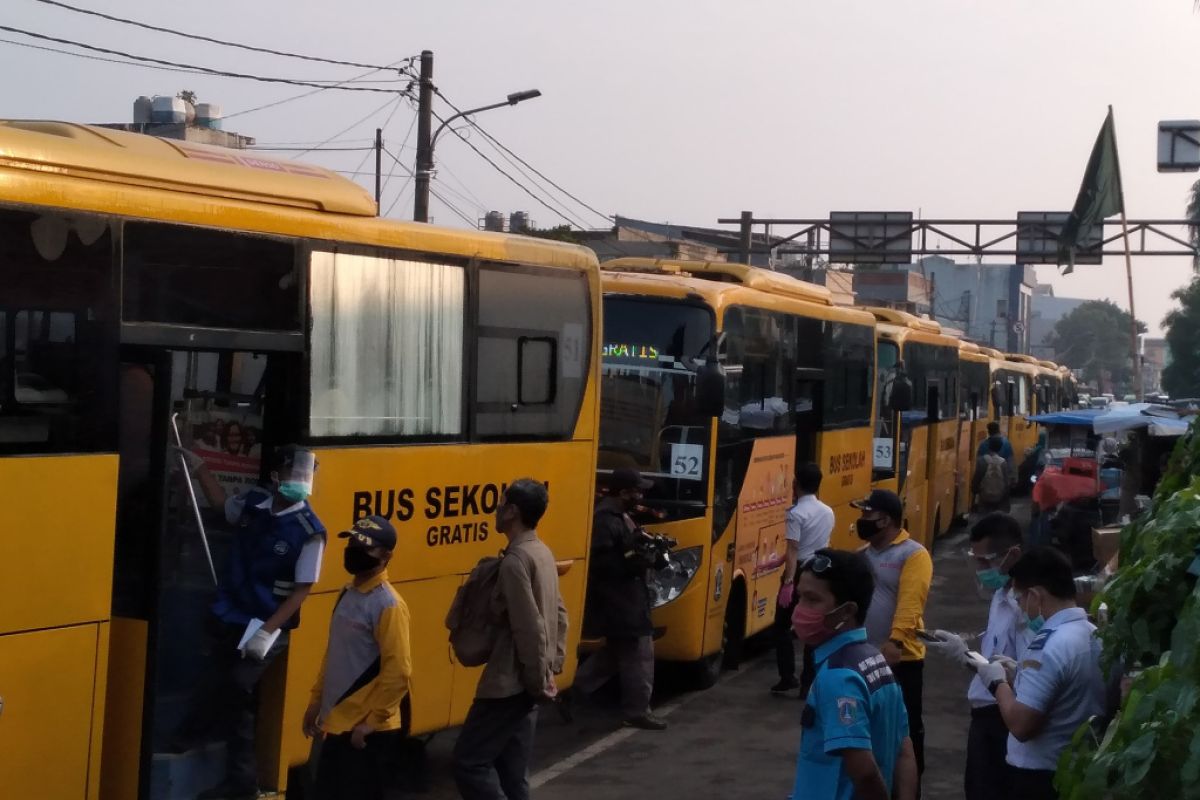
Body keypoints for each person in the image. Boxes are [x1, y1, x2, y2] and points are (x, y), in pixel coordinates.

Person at [177, 444, 327, 800]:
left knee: (238, 687)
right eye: (294, 475)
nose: (301, 482)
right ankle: (190, 736)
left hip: (266, 624)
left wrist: (267, 631)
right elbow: (220, 507)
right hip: (232, 611)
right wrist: (199, 469)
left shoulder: (309, 530)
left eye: (306, 477)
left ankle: (242, 781)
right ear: (276, 477)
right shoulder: (255, 503)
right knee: (212, 675)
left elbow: (301, 592)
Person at [453, 479, 567, 800]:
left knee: (469, 762)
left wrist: (536, 680)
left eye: (501, 503)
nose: (496, 509)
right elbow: (560, 616)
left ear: (513, 511)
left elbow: (528, 626)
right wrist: (550, 669)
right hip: (531, 679)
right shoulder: (542, 552)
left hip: (509, 682)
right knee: (512, 774)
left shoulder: (516, 561)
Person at [974, 547, 1105, 800]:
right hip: (1080, 770)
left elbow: (1021, 725)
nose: (1021, 606)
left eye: (1021, 598)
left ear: (1035, 595)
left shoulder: (1046, 647)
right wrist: (1019, 674)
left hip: (1038, 777)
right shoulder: (1094, 634)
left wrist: (997, 682)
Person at [790, 548, 918, 800]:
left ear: (847, 611)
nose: (800, 609)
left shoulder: (837, 677)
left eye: (812, 600)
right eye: (800, 597)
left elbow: (865, 771)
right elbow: (904, 749)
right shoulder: (875, 660)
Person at [925, 513, 1033, 800]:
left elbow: (1020, 671)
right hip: (983, 715)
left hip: (1003, 715)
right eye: (977, 560)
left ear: (1013, 554)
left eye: (987, 561)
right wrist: (965, 648)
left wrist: (969, 659)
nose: (981, 569)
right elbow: (994, 645)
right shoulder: (999, 594)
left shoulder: (1027, 608)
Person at [305, 515, 412, 800]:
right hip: (337, 724)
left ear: (386, 556)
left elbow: (399, 672)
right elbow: (335, 653)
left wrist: (371, 723)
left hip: (364, 733)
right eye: (352, 542)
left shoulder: (388, 604)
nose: (354, 550)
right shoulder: (347, 593)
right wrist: (316, 701)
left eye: (365, 546)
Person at [574, 468, 668, 730]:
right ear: (623, 492)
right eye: (637, 491)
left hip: (627, 600)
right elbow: (602, 564)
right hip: (621, 602)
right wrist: (634, 560)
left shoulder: (622, 517)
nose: (640, 496)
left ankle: (570, 691)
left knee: (615, 654)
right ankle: (637, 711)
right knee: (640, 654)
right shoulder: (606, 521)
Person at [853, 489, 933, 785]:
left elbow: (911, 603)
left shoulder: (913, 554)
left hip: (901, 659)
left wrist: (896, 641)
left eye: (867, 514)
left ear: (885, 520)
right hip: (865, 658)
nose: (862, 520)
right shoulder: (861, 556)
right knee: (869, 730)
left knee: (905, 732)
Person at [771, 462, 835, 696]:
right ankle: (808, 681)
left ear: (795, 484)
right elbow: (817, 545)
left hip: (799, 572)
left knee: (781, 627)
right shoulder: (828, 512)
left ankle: (787, 676)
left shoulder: (795, 514)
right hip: (819, 571)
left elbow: (794, 549)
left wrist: (788, 582)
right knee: (812, 626)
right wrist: (778, 561)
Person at [973, 436, 1016, 514]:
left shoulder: (982, 461)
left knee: (984, 518)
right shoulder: (1003, 462)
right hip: (999, 498)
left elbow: (976, 479)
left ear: (989, 447)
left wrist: (975, 491)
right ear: (1000, 448)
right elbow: (1006, 483)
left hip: (984, 496)